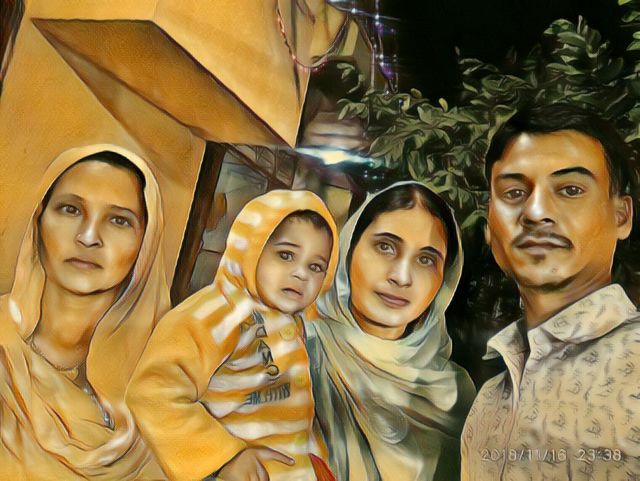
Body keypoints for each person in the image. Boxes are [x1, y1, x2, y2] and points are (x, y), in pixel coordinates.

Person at [461, 104, 639, 480]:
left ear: (622, 216)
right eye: (513, 192)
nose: (535, 211)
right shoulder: (487, 403)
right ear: (490, 221)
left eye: (570, 189)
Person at [126, 190, 339, 481]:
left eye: (315, 267)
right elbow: (152, 391)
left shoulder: (296, 325)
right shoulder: (215, 311)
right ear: (249, 249)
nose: (301, 274)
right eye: (286, 255)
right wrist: (225, 457)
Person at [0, 144, 170, 480]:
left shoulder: (166, 384)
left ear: (146, 244)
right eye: (70, 209)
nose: (89, 237)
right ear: (39, 220)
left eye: (119, 220)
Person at [305, 181, 476, 481]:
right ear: (349, 250)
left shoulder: (454, 393)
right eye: (385, 247)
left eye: (426, 259)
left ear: (444, 280)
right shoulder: (297, 349)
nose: (401, 276)